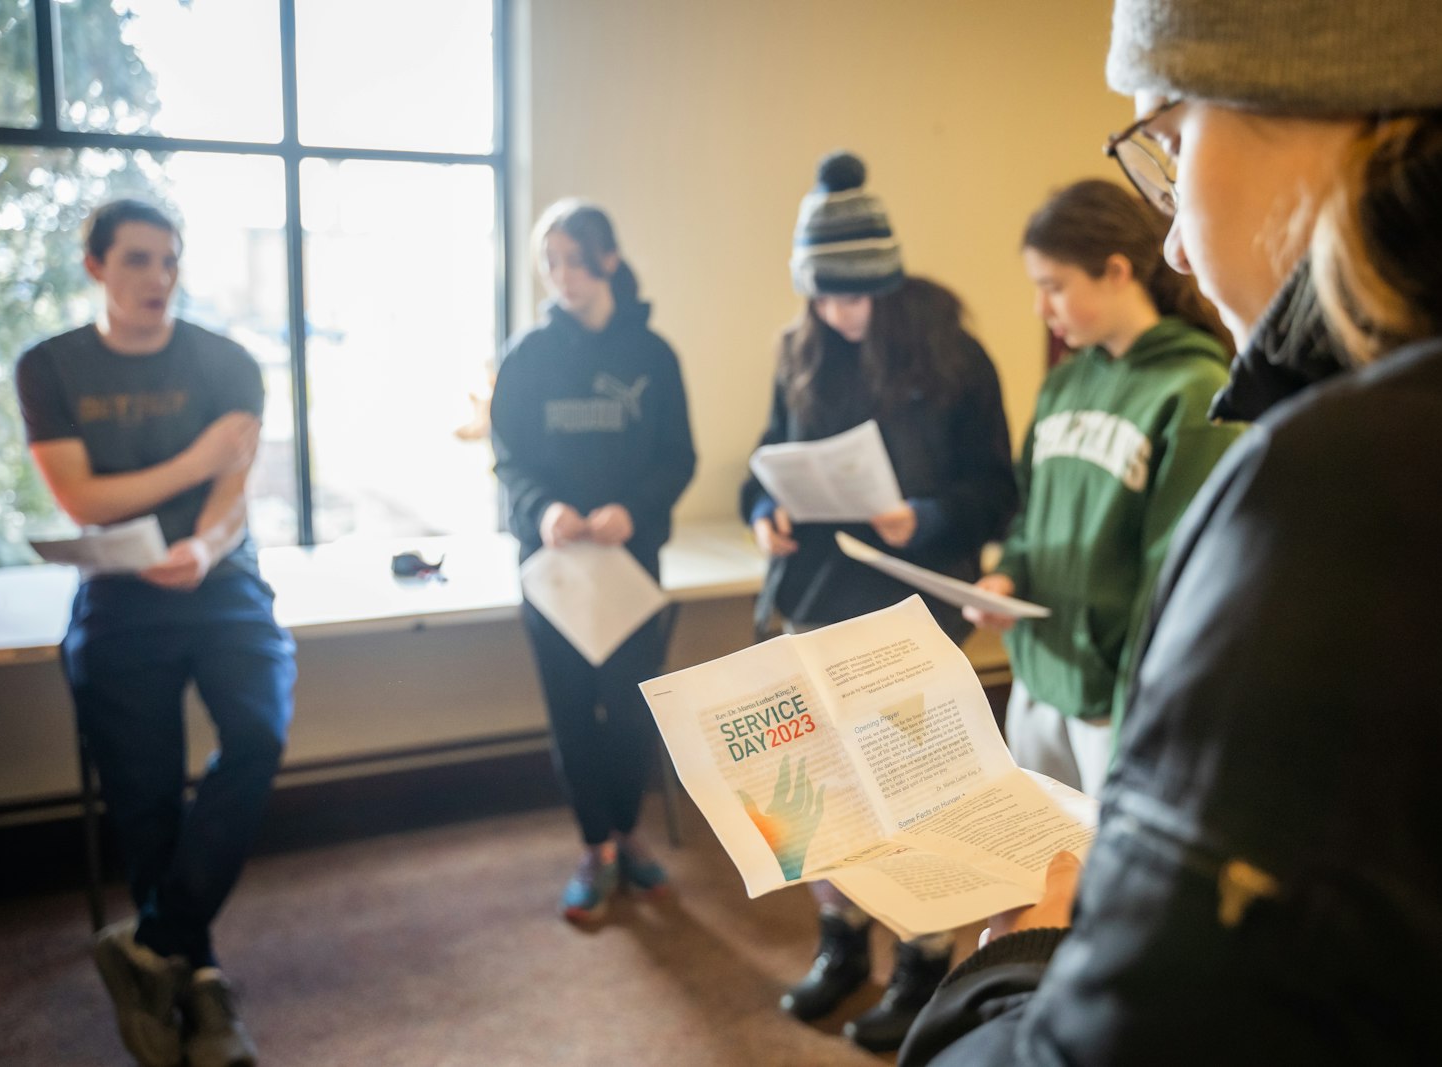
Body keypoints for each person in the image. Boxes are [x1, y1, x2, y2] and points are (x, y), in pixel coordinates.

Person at [901, 1, 1442, 1063]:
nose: (1170, 231)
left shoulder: (1378, 484)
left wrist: (1016, 965)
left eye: (1169, 142)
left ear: (1329, 90)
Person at [740, 151, 1017, 1053]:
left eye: (848, 297)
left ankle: (920, 961)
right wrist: (765, 515)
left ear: (887, 284)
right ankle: (840, 943)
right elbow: (764, 460)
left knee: (911, 800)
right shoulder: (800, 350)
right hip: (814, 599)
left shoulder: (955, 356)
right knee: (810, 800)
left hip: (910, 607)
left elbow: (998, 491)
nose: (832, 313)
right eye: (818, 296)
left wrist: (924, 515)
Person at [15, 199, 295, 1067]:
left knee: (258, 730)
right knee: (142, 801)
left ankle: (149, 946)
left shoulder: (227, 360)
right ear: (96, 264)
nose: (158, 278)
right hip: (118, 593)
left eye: (170, 261)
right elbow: (82, 500)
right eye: (138, 260)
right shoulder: (49, 366)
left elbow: (233, 492)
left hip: (219, 579)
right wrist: (195, 458)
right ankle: (202, 983)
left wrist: (203, 545)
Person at [965, 179, 1241, 799]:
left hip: (1114, 703)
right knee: (1037, 872)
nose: (1042, 309)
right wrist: (1007, 575)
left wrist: (1136, 711)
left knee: (1097, 885)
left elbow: (1172, 578)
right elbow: (1030, 515)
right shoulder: (1064, 384)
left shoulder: (1194, 390)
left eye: (1054, 286)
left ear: (1116, 272)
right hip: (1037, 678)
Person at [490, 199, 696, 925]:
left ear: (608, 260)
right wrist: (544, 508)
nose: (563, 277)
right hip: (553, 570)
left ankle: (630, 834)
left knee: (633, 707)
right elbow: (508, 460)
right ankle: (594, 847)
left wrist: (632, 510)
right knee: (572, 711)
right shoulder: (527, 357)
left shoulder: (654, 354)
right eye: (551, 263)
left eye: (576, 260)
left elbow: (679, 457)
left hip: (630, 565)